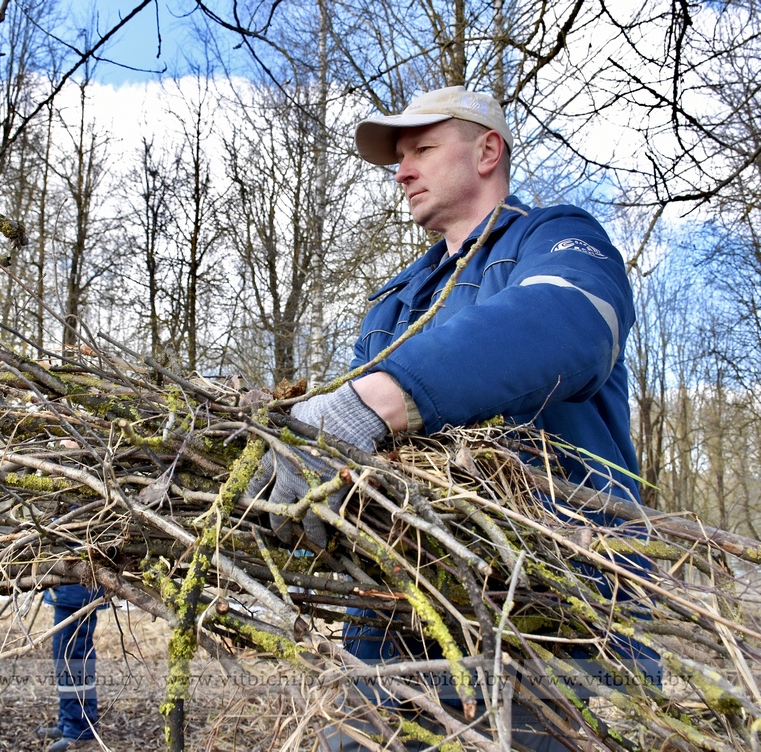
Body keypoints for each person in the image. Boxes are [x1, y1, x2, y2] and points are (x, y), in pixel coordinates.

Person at [248, 86, 657, 750]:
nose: (402, 170)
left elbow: (573, 324)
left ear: (487, 150)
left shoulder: (556, 240)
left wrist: (376, 401)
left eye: (422, 150)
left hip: (546, 617)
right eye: (398, 158)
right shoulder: (395, 301)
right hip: (393, 625)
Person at [34, 584, 103, 751]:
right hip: (69, 595)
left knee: (73, 660)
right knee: (65, 661)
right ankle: (67, 723)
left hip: (76, 595)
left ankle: (78, 729)